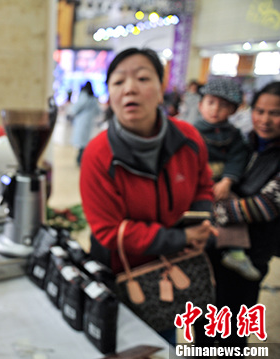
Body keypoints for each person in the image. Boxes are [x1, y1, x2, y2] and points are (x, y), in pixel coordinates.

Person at [79, 48, 217, 344]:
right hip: (122, 274)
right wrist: (181, 237)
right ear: (110, 94)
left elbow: (203, 185)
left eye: (142, 78)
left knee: (164, 337)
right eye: (118, 82)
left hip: (178, 265)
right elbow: (107, 230)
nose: (130, 88)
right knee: (127, 343)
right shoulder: (98, 155)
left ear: (160, 90)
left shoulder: (189, 139)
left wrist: (201, 222)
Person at [195, 81, 280, 353]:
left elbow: (265, 206)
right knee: (205, 317)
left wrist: (204, 211)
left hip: (251, 253)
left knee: (234, 327)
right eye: (260, 111)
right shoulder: (247, 141)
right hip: (213, 246)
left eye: (275, 113)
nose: (265, 120)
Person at [194, 77, 259, 281]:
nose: (215, 109)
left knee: (233, 207)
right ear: (200, 105)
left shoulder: (235, 134)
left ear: (233, 110)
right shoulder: (191, 130)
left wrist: (227, 180)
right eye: (211, 103)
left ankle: (236, 252)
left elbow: (237, 158)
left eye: (223, 105)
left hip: (221, 185)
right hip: (195, 184)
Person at [68, 81, 101, 165]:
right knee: (85, 141)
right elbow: (98, 111)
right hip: (89, 121)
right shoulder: (93, 98)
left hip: (81, 121)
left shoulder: (83, 96)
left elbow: (76, 107)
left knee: (82, 142)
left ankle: (80, 159)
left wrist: (71, 113)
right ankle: (81, 159)